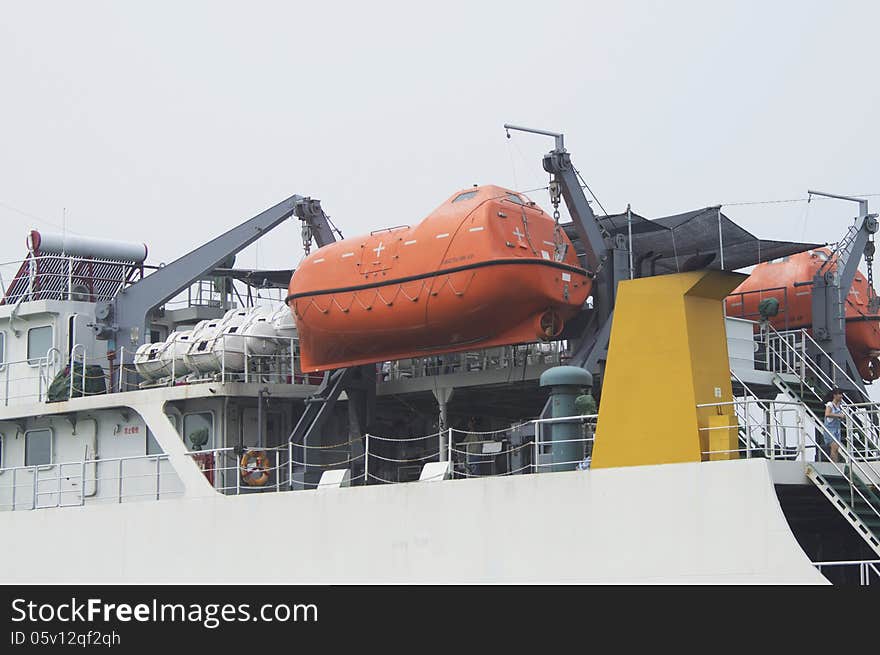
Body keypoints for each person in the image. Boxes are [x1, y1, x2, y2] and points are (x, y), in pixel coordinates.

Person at [823, 388, 845, 464]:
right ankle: (834, 464)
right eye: (840, 394)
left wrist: (842, 417)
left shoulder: (839, 406)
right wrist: (839, 415)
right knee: (834, 446)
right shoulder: (830, 404)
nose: (841, 396)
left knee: (836, 448)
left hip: (836, 429)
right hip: (830, 429)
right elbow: (827, 414)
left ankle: (835, 463)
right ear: (834, 395)